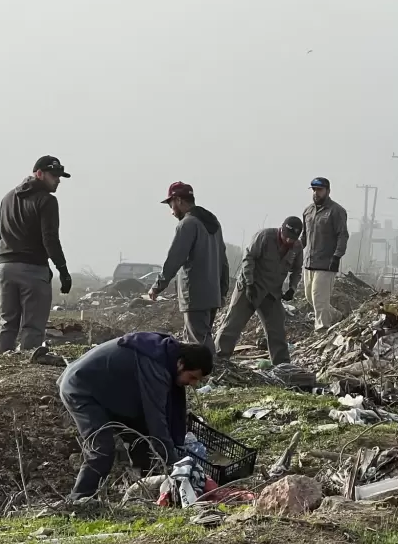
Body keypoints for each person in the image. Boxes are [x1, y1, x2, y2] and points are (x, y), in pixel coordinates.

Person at [59, 331, 213, 500]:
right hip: (80, 389)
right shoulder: (156, 364)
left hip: (108, 392)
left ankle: (144, 489)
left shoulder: (164, 353)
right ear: (181, 364)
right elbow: (157, 419)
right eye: (192, 377)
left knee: (139, 434)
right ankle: (79, 500)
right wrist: (175, 464)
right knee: (102, 449)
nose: (192, 384)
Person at [0, 155, 72, 355]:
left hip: (5, 269)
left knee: (6, 322)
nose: (58, 180)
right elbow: (50, 239)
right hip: (33, 270)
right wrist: (62, 270)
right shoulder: (47, 201)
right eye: (54, 175)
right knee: (33, 326)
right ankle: (27, 370)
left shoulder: (7, 198)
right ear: (39, 174)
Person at [149, 182, 229, 351]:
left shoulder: (188, 224)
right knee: (198, 338)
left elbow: (174, 259)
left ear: (178, 200)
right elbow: (223, 259)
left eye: (171, 205)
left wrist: (158, 286)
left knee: (197, 344)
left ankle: (206, 375)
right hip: (212, 293)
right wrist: (222, 290)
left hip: (195, 294)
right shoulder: (213, 223)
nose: (171, 211)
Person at [215, 217, 304, 365]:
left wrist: (292, 288)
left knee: (277, 330)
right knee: (233, 324)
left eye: (292, 239)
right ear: (281, 229)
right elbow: (249, 258)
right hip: (250, 288)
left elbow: (297, 270)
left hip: (272, 292)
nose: (288, 240)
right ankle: (219, 359)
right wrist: (249, 284)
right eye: (286, 236)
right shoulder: (264, 237)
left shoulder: (297, 247)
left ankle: (282, 365)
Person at [301, 177, 349, 331]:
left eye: (319, 190)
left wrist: (337, 256)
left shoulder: (336, 211)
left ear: (328, 191)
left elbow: (343, 235)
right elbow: (304, 237)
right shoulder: (308, 211)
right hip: (309, 262)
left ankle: (322, 329)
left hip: (326, 263)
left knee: (319, 298)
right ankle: (335, 316)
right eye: (314, 190)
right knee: (310, 297)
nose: (316, 193)